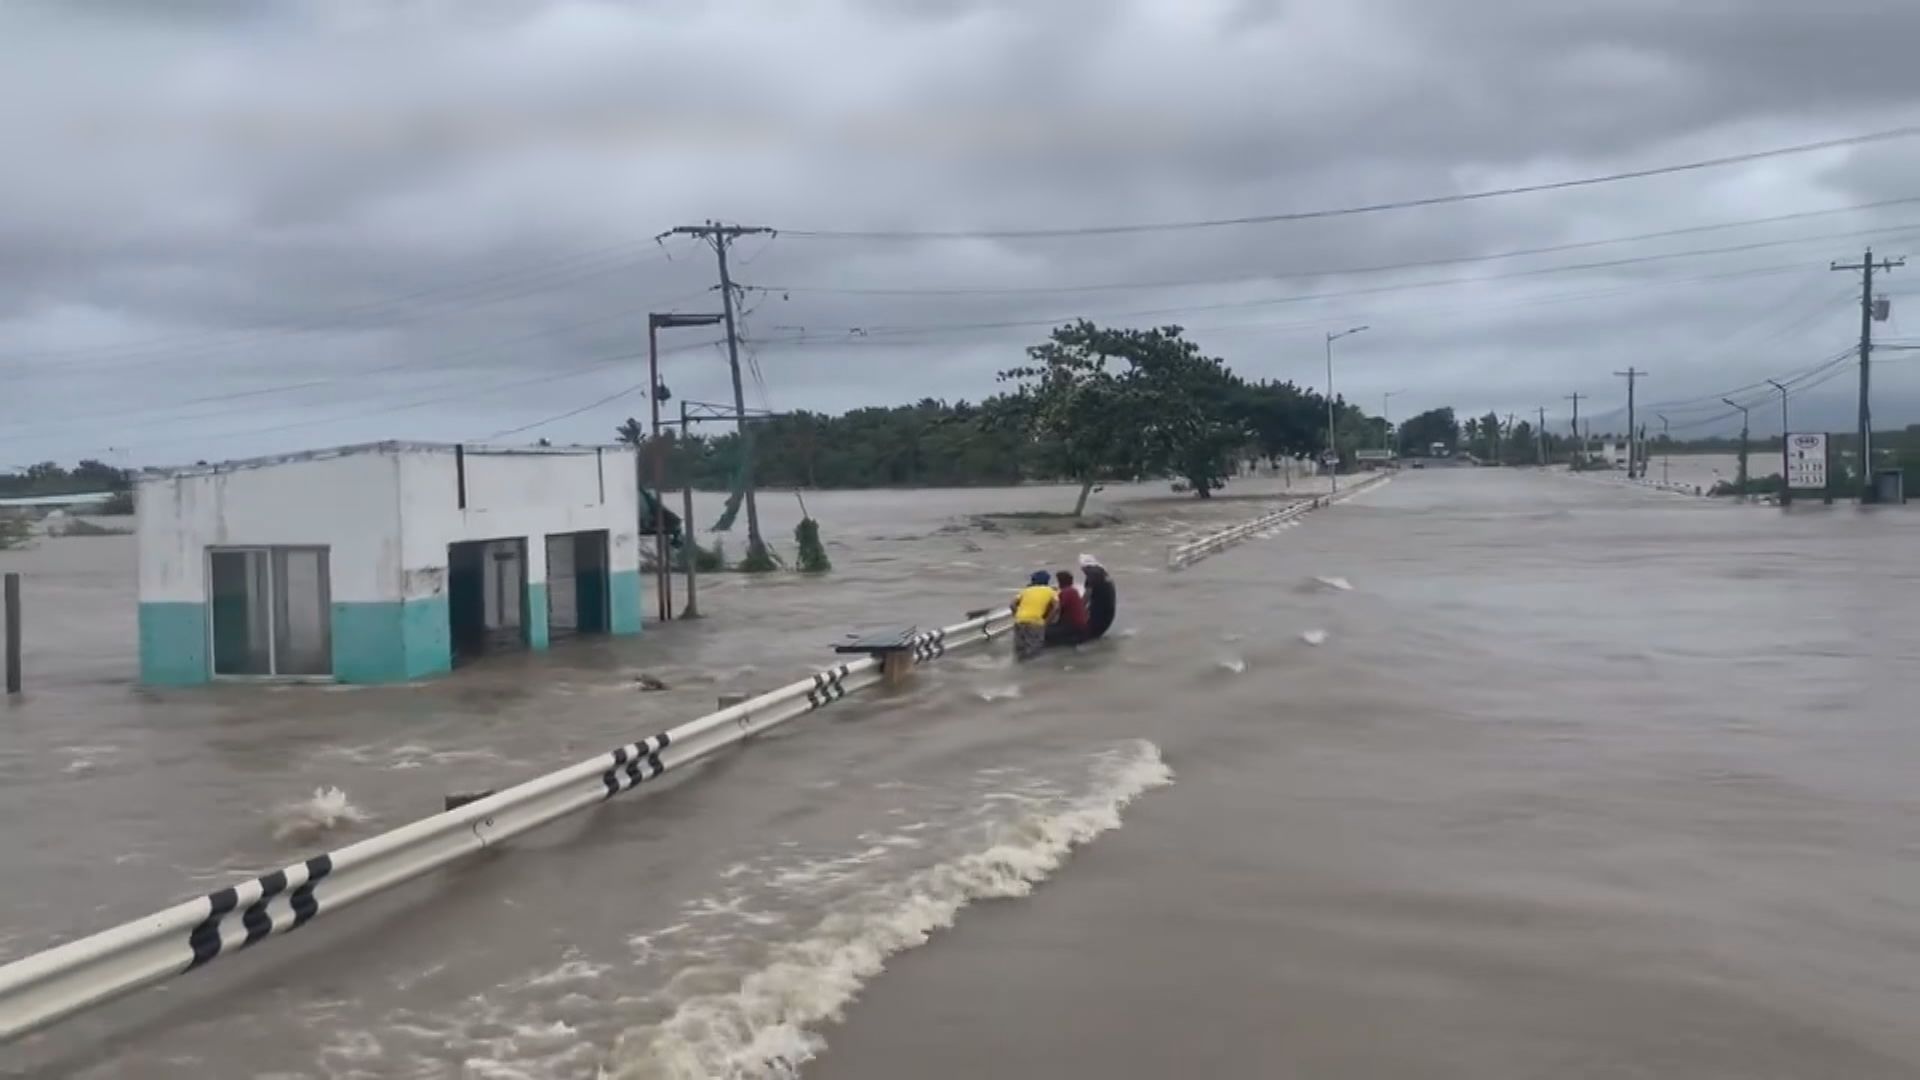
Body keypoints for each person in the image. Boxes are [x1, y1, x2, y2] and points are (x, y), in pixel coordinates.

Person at [1010, 570, 1057, 660]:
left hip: (1019, 621)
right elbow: (1056, 607)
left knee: (1019, 650)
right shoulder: (1050, 591)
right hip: (1036, 622)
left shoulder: (1025, 591)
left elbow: (1012, 605)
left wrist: (1017, 616)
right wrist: (1046, 621)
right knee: (1035, 652)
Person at [1046, 569, 1090, 646]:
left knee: (1045, 632)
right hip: (1081, 625)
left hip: (1072, 626)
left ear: (1060, 582)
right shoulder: (1073, 591)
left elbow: (1057, 609)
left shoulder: (1065, 592)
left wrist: (1046, 623)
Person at [1080, 553, 1117, 641]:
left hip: (1100, 614)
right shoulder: (1103, 572)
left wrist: (1078, 609)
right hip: (1109, 614)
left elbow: (1086, 596)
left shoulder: (1092, 575)